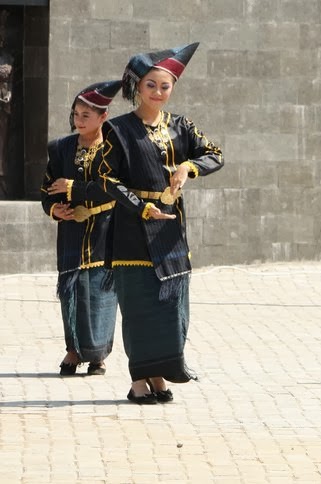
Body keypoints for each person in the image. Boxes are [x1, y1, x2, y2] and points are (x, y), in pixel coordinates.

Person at [97, 42, 223, 404]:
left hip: (170, 230)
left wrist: (188, 167)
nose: (158, 92)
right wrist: (140, 207)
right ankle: (140, 378)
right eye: (151, 85)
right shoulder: (118, 130)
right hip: (132, 228)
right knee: (139, 305)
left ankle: (160, 371)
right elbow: (108, 179)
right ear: (137, 87)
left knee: (170, 306)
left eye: (165, 86)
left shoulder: (181, 126)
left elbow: (214, 154)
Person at [40, 80, 122, 376]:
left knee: (101, 292)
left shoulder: (115, 150)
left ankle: (98, 356)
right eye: (76, 115)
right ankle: (73, 351)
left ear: (103, 116)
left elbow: (114, 190)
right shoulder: (61, 148)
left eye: (86, 116)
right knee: (71, 291)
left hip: (105, 230)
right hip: (71, 232)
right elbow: (46, 189)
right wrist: (54, 209)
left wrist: (74, 188)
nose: (79, 121)